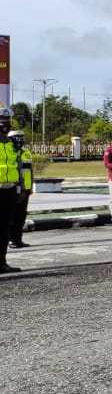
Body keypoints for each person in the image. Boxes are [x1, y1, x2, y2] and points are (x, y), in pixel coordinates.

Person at [0, 108, 24, 273]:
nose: (5, 126)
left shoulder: (12, 144)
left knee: (4, 228)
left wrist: (21, 188)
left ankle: (1, 262)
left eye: (7, 123)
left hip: (9, 191)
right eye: (2, 123)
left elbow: (19, 167)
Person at [7, 131, 32, 249]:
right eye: (17, 138)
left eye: (22, 137)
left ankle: (18, 239)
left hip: (25, 189)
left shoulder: (26, 152)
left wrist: (30, 187)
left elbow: (30, 171)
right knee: (12, 216)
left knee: (21, 216)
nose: (20, 140)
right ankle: (11, 240)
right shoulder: (10, 152)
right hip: (14, 188)